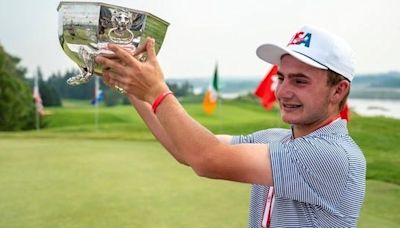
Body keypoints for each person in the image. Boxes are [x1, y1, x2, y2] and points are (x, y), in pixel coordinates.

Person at [95, 24, 366, 228]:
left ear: (338, 90)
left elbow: (207, 159)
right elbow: (186, 151)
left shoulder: (334, 155)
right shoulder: (276, 139)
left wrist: (156, 91)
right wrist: (131, 86)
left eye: (300, 81)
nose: (283, 92)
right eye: (281, 78)